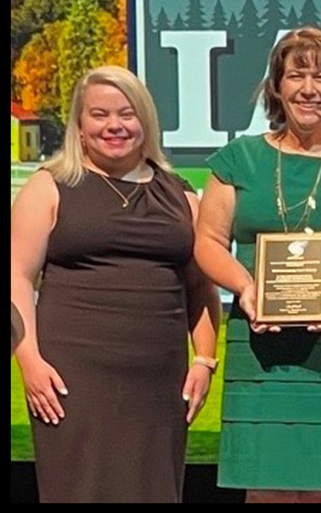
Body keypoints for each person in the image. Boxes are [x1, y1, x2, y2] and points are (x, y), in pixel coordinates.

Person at [194, 28, 321, 503]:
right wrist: (245, 288)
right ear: (277, 87)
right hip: (260, 347)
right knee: (266, 489)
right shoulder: (238, 159)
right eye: (297, 75)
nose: (310, 88)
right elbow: (207, 242)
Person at [12, 65, 220, 502]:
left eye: (126, 114)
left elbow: (201, 288)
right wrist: (28, 360)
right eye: (99, 114)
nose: (114, 126)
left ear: (145, 120)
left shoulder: (182, 196)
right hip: (71, 378)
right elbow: (16, 278)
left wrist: (204, 360)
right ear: (80, 125)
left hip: (159, 381)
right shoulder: (49, 187)